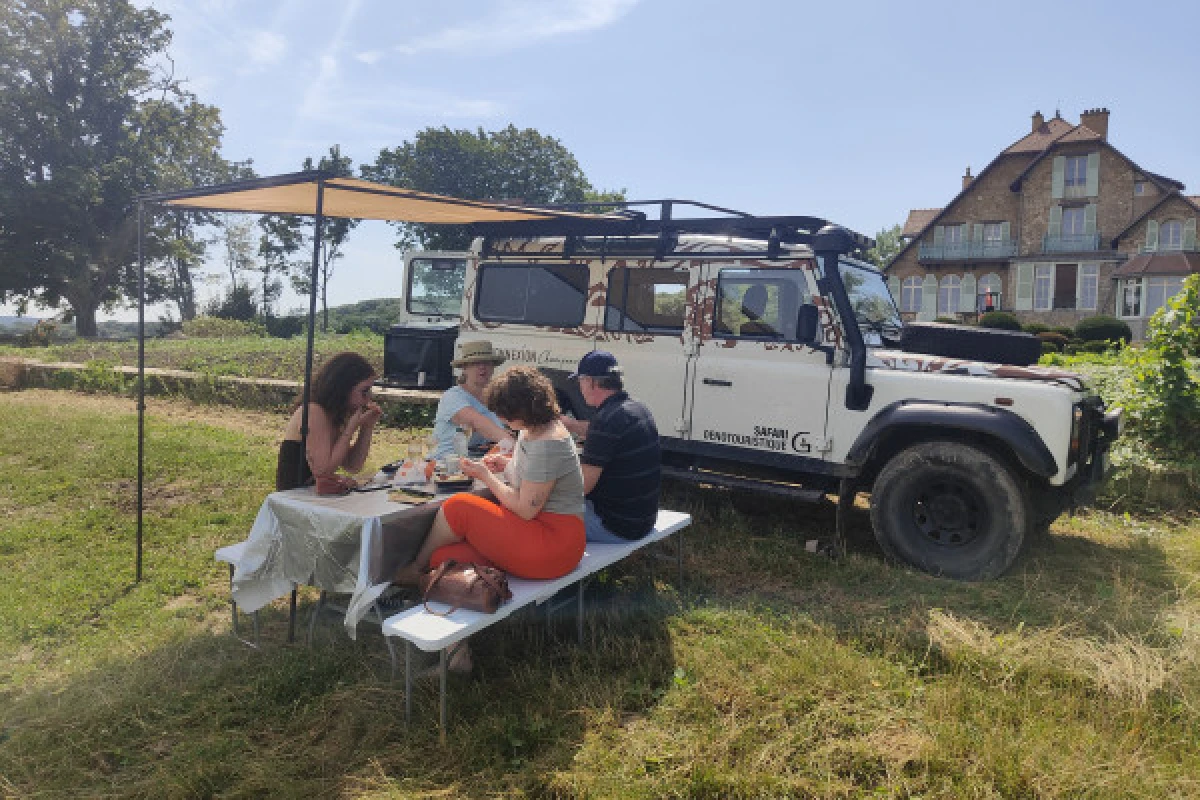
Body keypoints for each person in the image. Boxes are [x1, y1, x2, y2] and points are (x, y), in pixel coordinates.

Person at [395, 365, 586, 584]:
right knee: (442, 558)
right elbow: (534, 475)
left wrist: (486, 476)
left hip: (554, 546)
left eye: (505, 415)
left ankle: (414, 568)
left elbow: (525, 510)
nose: (503, 420)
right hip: (541, 533)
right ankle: (426, 568)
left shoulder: (547, 443)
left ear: (522, 409)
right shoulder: (535, 427)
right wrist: (505, 464)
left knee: (458, 507)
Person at [566, 351, 662, 543]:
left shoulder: (606, 421)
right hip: (644, 519)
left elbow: (581, 487)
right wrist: (572, 425)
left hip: (615, 527)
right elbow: (606, 436)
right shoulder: (637, 408)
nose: (580, 387)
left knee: (537, 510)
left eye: (581, 382)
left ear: (591, 382)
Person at [276, 352, 382, 491]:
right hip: (294, 497)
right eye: (364, 391)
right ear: (343, 388)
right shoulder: (313, 411)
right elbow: (322, 471)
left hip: (314, 495)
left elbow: (352, 465)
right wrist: (350, 428)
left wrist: (366, 428)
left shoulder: (333, 414)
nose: (367, 399)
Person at [430, 340, 514, 460]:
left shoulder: (497, 398)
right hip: (446, 464)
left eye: (486, 362)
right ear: (464, 368)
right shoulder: (452, 396)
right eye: (475, 363)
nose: (482, 367)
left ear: (493, 367)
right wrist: (514, 446)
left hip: (483, 462)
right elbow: (477, 423)